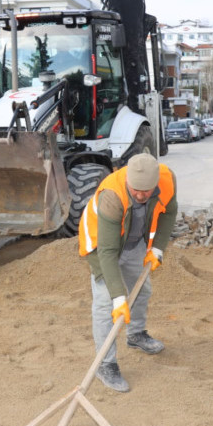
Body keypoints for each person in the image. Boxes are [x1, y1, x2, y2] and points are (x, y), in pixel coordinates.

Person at [78, 153, 178, 392]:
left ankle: (136, 335)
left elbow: (169, 213)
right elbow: (109, 252)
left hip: (134, 243)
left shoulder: (167, 180)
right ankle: (105, 363)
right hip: (102, 246)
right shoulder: (112, 195)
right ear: (127, 181)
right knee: (105, 305)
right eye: (136, 191)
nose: (142, 195)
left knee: (142, 291)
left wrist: (157, 249)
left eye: (147, 191)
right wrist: (118, 297)